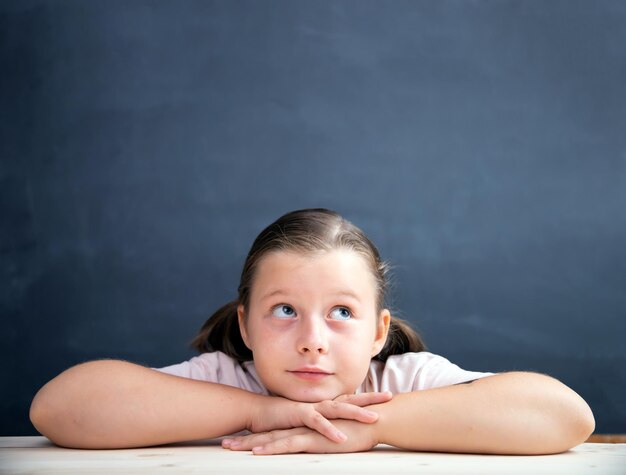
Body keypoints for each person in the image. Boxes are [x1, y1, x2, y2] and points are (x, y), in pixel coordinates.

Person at [30, 208, 595, 455]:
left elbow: (565, 416)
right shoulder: (227, 381)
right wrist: (257, 412)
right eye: (284, 310)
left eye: (341, 313)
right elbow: (59, 409)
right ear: (245, 323)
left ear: (379, 333)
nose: (312, 339)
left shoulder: (402, 379)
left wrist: (371, 428)